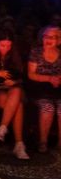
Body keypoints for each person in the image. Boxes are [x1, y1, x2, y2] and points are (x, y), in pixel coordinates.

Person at [0, 29, 29, 159]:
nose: (6, 49)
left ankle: (2, 129)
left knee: (16, 92)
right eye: (2, 45)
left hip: (12, 89)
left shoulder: (14, 57)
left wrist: (13, 81)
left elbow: (22, 77)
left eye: (9, 46)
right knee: (18, 105)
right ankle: (19, 144)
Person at [27, 25, 61, 153]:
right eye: (46, 36)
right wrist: (49, 79)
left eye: (52, 37)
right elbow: (31, 74)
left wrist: (58, 79)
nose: (48, 39)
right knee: (48, 107)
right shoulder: (36, 52)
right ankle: (43, 141)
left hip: (58, 89)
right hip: (40, 88)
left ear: (58, 40)